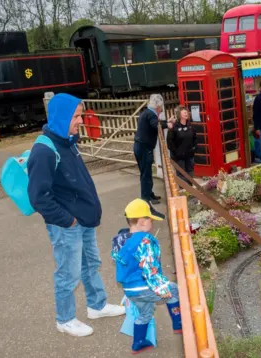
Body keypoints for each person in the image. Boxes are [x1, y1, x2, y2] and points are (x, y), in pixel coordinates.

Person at [27, 93, 125, 337]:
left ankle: (97, 305)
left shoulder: (67, 141)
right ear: (61, 117)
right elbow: (39, 197)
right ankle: (65, 319)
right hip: (67, 225)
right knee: (67, 274)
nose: (81, 120)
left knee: (91, 264)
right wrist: (68, 220)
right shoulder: (44, 151)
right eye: (77, 116)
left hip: (83, 220)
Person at [111, 199, 182, 354]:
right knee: (174, 289)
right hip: (144, 286)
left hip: (130, 290)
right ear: (142, 221)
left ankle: (138, 343)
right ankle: (179, 324)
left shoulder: (121, 240)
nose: (152, 223)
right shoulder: (145, 241)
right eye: (150, 219)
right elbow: (151, 270)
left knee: (145, 312)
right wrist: (163, 289)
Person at [134, 94, 175, 204]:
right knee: (146, 173)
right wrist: (168, 125)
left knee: (146, 172)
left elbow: (157, 122)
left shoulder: (148, 113)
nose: (161, 109)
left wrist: (167, 122)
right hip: (144, 148)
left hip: (141, 146)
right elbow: (155, 125)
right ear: (158, 106)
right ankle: (146, 197)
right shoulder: (151, 115)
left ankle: (149, 193)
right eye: (161, 107)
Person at [166, 106, 197, 186]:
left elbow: (195, 138)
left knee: (190, 172)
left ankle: (191, 189)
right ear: (179, 115)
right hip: (179, 157)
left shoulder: (191, 126)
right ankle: (184, 190)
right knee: (181, 174)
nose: (186, 113)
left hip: (189, 156)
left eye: (187, 112)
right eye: (184, 112)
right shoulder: (174, 127)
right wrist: (176, 153)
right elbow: (169, 142)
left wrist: (194, 148)